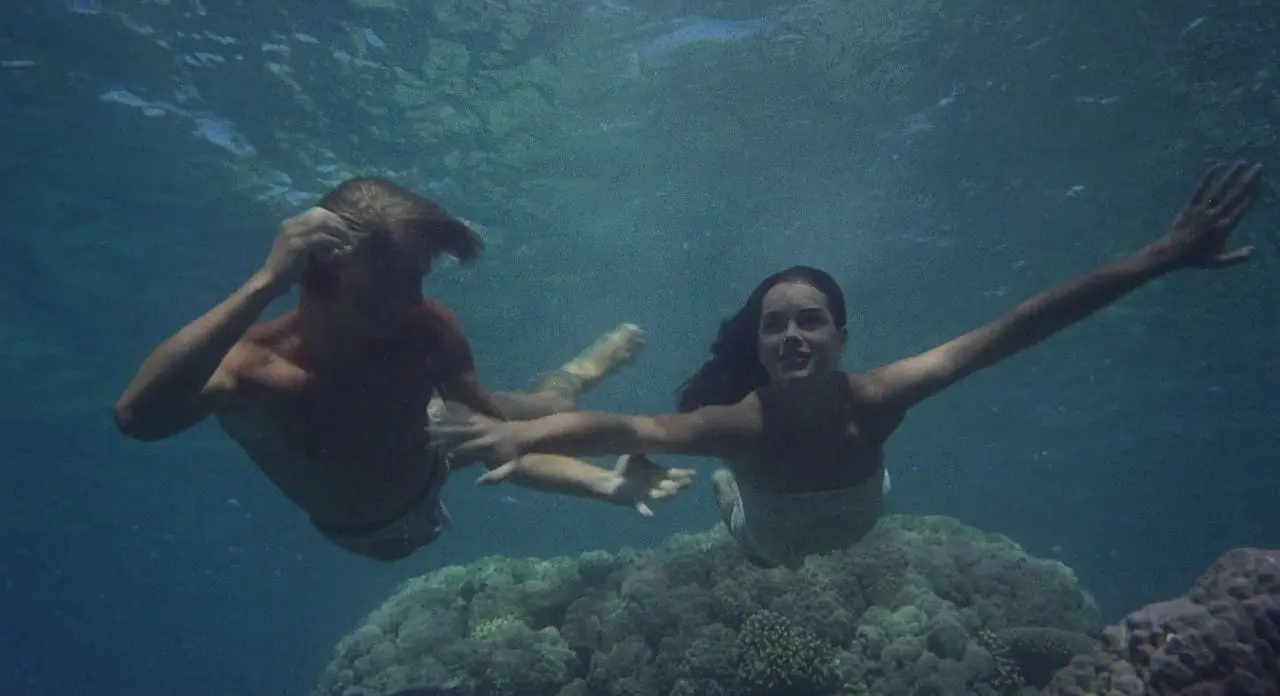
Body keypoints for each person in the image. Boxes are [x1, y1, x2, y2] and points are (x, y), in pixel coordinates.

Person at [435, 161, 1266, 569]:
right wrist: (536, 431)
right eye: (775, 327)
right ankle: (708, 488)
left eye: (811, 321)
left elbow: (1017, 326)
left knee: (693, 457)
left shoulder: (880, 397)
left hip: (868, 510)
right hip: (762, 542)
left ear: (839, 336)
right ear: (758, 350)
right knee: (719, 488)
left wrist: (1159, 257)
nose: (793, 335)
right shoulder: (735, 422)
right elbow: (629, 423)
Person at [114, 176, 693, 562]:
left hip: (435, 456)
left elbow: (500, 445)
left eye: (421, 279)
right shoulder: (252, 375)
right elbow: (138, 418)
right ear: (330, 267)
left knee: (538, 411)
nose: (416, 299)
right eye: (400, 279)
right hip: (368, 534)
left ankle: (577, 374)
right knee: (490, 416)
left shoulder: (423, 327)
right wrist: (266, 282)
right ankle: (566, 381)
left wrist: (604, 484)